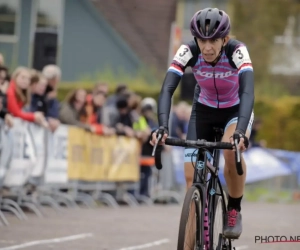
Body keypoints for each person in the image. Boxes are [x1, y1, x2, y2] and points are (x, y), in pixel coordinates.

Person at [150, 8, 255, 240]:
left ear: (225, 39)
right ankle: (192, 239)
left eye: (214, 40)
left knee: (230, 151)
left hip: (235, 111)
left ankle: (234, 209)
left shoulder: (237, 51)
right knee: (192, 180)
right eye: (202, 40)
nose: (207, 47)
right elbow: (168, 88)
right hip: (203, 111)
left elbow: (248, 91)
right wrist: (162, 126)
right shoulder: (188, 51)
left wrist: (240, 132)